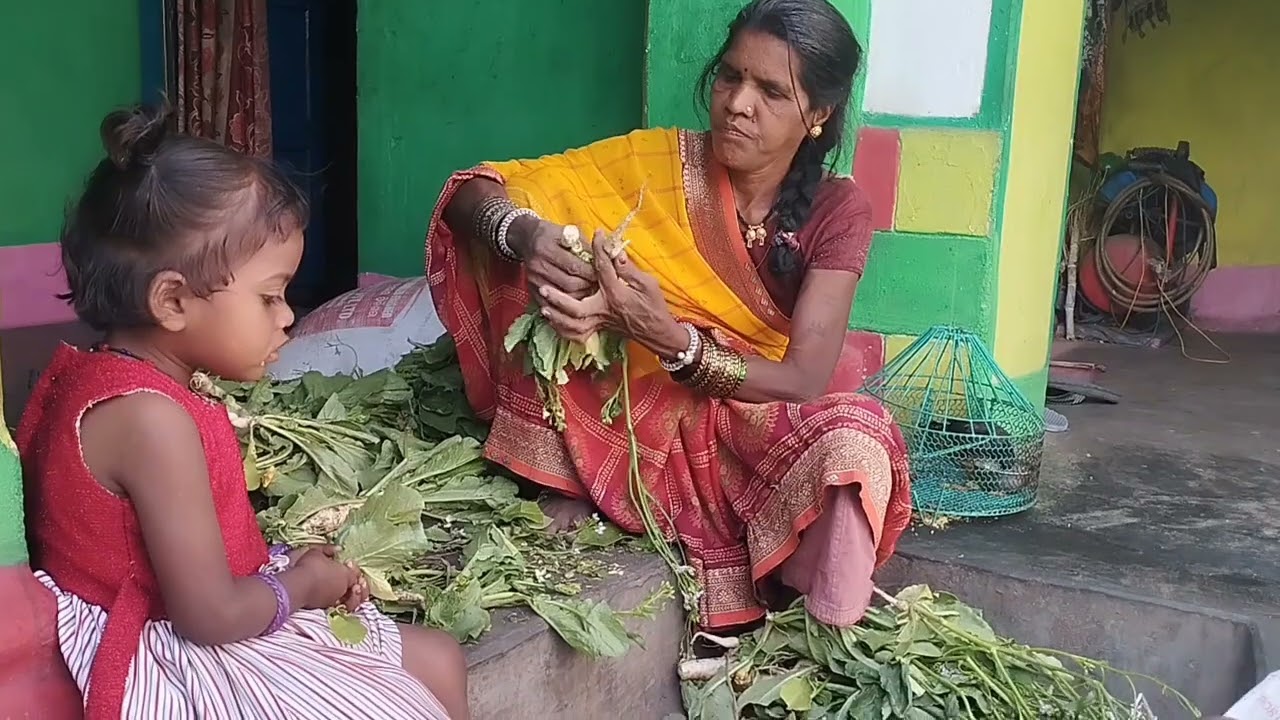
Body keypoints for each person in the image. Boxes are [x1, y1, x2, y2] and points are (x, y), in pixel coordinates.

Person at [429, 0, 911, 630]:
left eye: (771, 91)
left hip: (741, 416)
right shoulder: (658, 165)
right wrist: (528, 236)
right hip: (627, 403)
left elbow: (802, 380)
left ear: (817, 115)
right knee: (542, 259)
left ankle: (826, 622)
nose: (738, 103)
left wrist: (674, 342)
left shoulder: (837, 210)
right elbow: (471, 191)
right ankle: (569, 479)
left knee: (856, 436)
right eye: (731, 77)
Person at [18, 105, 469, 720]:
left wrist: (293, 568)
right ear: (172, 301)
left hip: (201, 620)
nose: (287, 315)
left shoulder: (114, 380)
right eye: (269, 296)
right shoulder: (149, 421)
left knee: (440, 657)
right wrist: (305, 587)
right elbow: (210, 617)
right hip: (171, 658)